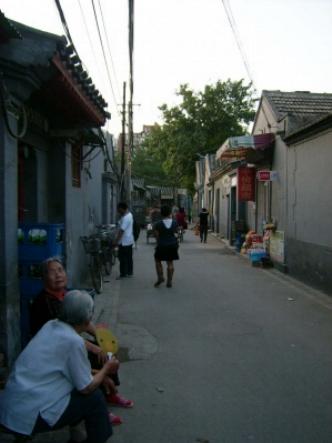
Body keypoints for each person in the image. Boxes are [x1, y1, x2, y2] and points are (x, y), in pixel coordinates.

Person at [0, 290, 114, 443]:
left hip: (12, 408)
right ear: (87, 319)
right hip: (30, 415)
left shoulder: (51, 325)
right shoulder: (73, 342)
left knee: (85, 388)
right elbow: (86, 387)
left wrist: (100, 375)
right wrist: (107, 368)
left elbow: (72, 371)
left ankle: (75, 433)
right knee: (94, 398)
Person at [29, 258, 133, 423]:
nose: (58, 275)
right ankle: (98, 406)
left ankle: (111, 393)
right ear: (43, 278)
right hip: (55, 351)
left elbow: (83, 321)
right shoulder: (44, 303)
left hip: (69, 341)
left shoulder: (67, 294)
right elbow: (64, 338)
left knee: (106, 349)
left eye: (60, 270)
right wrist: (93, 348)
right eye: (52, 271)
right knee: (94, 356)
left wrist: (101, 337)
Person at [153, 205, 179, 288]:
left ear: (161, 214)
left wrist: (158, 243)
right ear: (170, 213)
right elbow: (176, 233)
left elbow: (156, 236)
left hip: (161, 245)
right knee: (170, 262)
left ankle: (160, 277)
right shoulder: (175, 223)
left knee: (157, 261)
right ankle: (169, 281)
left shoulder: (158, 224)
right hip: (172, 245)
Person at [115, 202, 134, 279]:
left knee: (122, 258)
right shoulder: (129, 215)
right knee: (129, 257)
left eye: (119, 209)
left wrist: (116, 241)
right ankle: (129, 272)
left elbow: (121, 231)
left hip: (124, 241)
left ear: (123, 208)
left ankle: (123, 273)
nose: (118, 211)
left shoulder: (126, 218)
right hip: (129, 240)